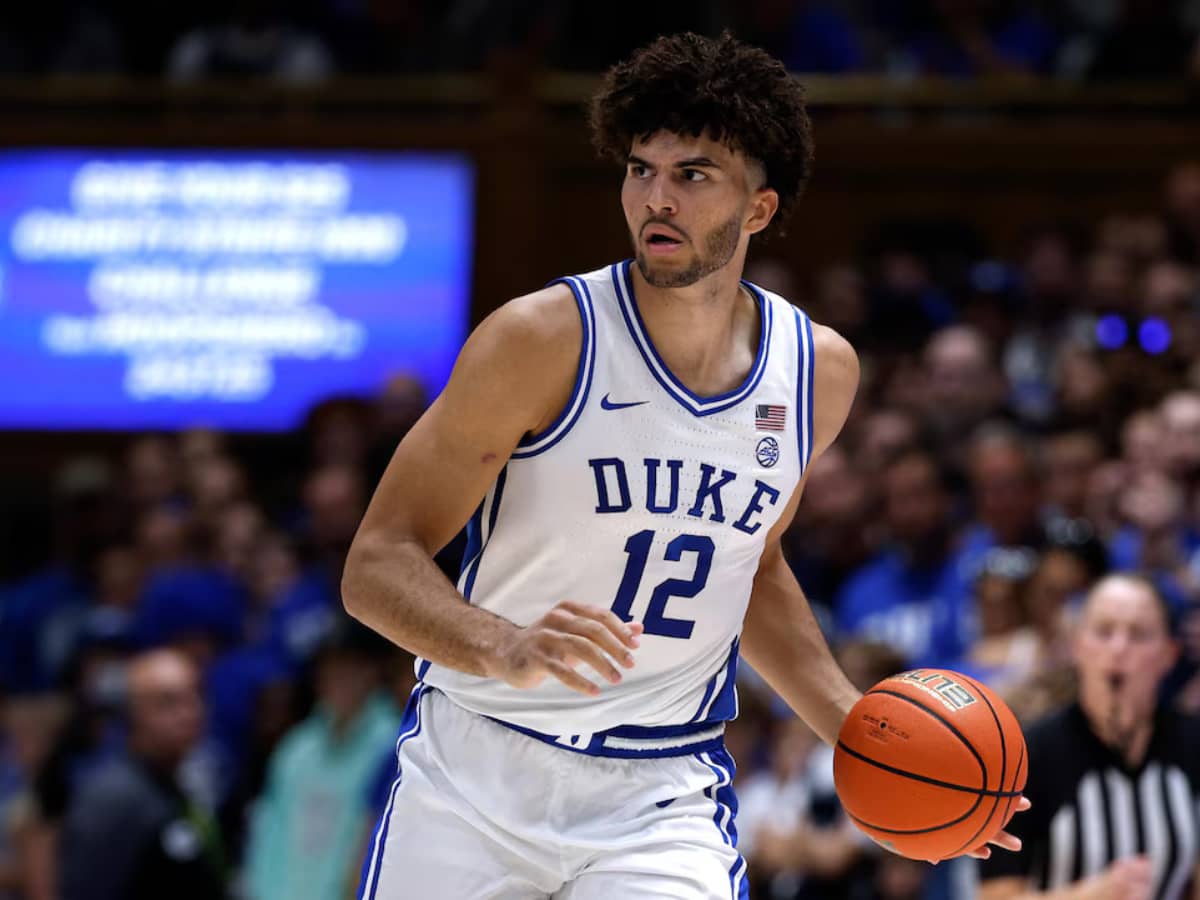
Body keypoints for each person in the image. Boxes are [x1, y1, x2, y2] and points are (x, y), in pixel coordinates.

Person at [342, 31, 1025, 899]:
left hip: (658, 794)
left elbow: (752, 568)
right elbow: (376, 564)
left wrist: (864, 735)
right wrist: (502, 644)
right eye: (641, 169)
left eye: (693, 174)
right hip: (476, 768)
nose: (656, 199)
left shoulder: (816, 371)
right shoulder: (540, 339)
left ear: (759, 210)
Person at [977, 574, 1200, 900]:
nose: (1119, 648)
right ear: (1077, 645)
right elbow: (995, 895)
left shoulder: (1192, 744)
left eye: (1138, 634)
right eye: (1104, 631)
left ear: (1169, 654)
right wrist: (1091, 895)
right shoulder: (1030, 754)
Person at [57, 649, 228, 900]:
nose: (190, 712)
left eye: (196, 695)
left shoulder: (189, 783)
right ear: (133, 714)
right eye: (168, 702)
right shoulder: (113, 800)